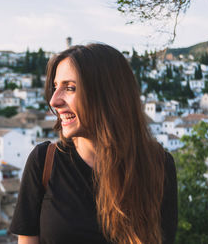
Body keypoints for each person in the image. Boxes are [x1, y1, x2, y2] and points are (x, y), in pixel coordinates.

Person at [10, 43, 177, 244]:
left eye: (69, 88)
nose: (54, 101)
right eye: (55, 87)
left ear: (107, 95)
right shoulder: (44, 162)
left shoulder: (158, 166)